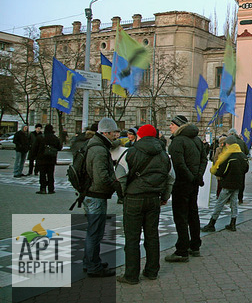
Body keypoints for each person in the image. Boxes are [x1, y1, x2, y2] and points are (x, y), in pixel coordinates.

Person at [117, 124, 172, 285]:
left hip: (134, 198)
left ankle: (131, 275)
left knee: (132, 237)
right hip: (154, 198)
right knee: (152, 236)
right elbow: (171, 178)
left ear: (139, 136)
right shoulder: (164, 155)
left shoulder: (130, 152)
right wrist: (164, 197)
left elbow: (120, 176)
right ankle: (151, 271)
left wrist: (123, 194)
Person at [83, 117, 122, 277]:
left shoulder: (95, 145)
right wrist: (115, 185)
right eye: (113, 132)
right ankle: (93, 266)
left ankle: (91, 261)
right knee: (95, 232)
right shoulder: (99, 149)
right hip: (96, 195)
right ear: (105, 132)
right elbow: (101, 176)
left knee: (94, 231)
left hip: (92, 194)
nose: (115, 135)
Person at [166, 115, 207, 262]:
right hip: (194, 182)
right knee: (192, 213)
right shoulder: (196, 139)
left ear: (179, 126)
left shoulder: (177, 141)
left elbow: (179, 165)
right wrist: (198, 176)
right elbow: (204, 159)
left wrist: (191, 177)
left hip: (182, 184)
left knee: (181, 217)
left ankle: (182, 250)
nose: (170, 127)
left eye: (172, 124)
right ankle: (195, 245)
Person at [201, 135, 249, 233]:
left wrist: (214, 171)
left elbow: (222, 170)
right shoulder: (242, 156)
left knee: (219, 203)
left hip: (228, 183)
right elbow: (246, 169)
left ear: (228, 144)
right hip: (237, 183)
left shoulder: (228, 156)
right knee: (234, 203)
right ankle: (233, 223)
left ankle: (212, 223)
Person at [31, 124, 62, 194]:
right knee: (51, 174)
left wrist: (34, 156)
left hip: (42, 159)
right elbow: (59, 147)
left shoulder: (40, 137)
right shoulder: (55, 138)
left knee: (42, 174)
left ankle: (43, 189)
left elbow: (34, 148)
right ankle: (51, 189)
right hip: (51, 159)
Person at [228, 128, 249, 204]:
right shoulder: (241, 142)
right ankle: (240, 198)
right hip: (242, 165)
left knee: (231, 181)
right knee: (241, 182)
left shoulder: (229, 142)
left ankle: (230, 198)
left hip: (232, 164)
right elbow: (246, 152)